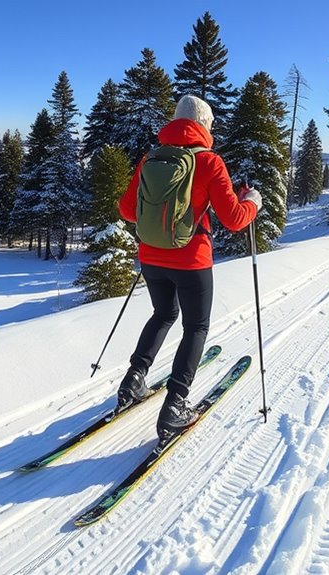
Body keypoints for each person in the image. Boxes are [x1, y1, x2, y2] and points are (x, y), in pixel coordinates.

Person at [117, 94, 262, 442]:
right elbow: (234, 220)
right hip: (192, 260)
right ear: (204, 126)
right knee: (195, 327)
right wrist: (252, 202)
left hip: (151, 257)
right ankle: (175, 406)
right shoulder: (210, 162)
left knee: (163, 314)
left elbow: (127, 210)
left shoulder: (150, 158)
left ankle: (133, 380)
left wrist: (160, 222)